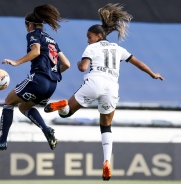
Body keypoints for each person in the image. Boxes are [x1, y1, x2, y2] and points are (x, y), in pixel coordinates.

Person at [44, 3, 164, 181]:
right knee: (106, 126)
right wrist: (152, 74)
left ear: (99, 36)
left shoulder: (92, 48)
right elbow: (138, 62)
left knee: (66, 113)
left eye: (89, 37)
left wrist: (78, 63)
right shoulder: (119, 49)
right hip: (112, 87)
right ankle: (107, 161)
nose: (88, 40)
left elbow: (83, 67)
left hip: (95, 82)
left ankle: (63, 105)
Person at [0, 4, 70, 151]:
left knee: (8, 102)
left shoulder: (33, 34)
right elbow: (67, 64)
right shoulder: (51, 40)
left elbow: (36, 51)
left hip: (38, 79)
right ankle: (46, 129)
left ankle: (2, 140)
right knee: (24, 106)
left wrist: (16, 62)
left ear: (30, 25)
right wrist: (53, 73)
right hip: (52, 84)